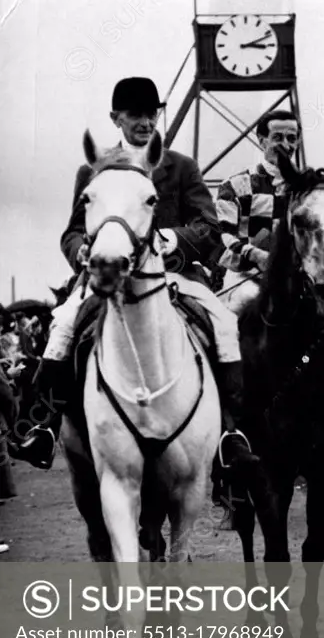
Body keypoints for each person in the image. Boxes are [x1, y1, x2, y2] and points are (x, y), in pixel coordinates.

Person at [14, 77, 256, 477]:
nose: (145, 123)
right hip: (108, 276)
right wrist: (82, 250)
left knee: (224, 325)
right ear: (117, 118)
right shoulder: (92, 169)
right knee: (63, 326)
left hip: (177, 276)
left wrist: (170, 238)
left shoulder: (181, 166)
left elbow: (208, 227)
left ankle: (232, 433)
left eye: (151, 114)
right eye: (135, 116)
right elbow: (72, 232)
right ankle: (44, 425)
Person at [214, 110, 302, 310]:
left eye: (292, 139)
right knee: (248, 303)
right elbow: (221, 235)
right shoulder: (236, 185)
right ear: (262, 141)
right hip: (246, 278)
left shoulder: (307, 191)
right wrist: (254, 255)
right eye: (277, 138)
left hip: (295, 279)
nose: (286, 146)